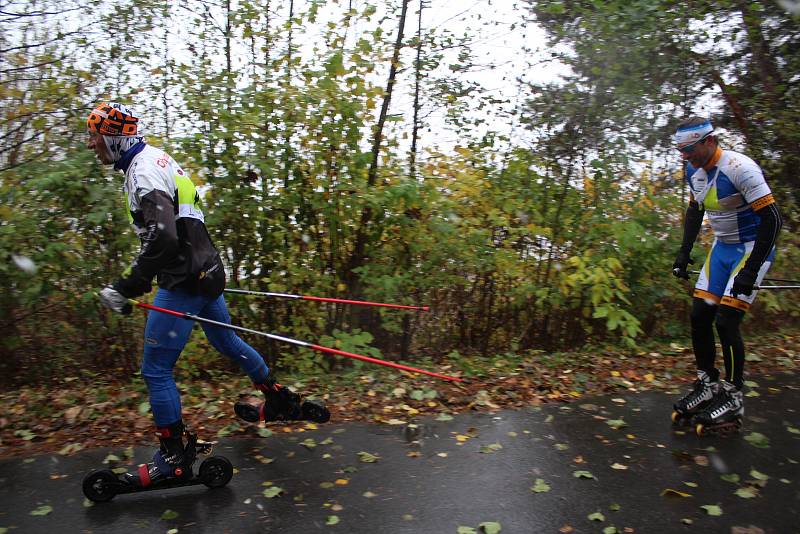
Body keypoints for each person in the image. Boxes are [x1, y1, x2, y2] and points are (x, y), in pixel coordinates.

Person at [87, 102, 328, 487]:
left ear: (115, 137)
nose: (91, 145)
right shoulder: (158, 158)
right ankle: (278, 397)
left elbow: (163, 238)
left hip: (183, 282)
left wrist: (127, 286)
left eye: (95, 137)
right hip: (207, 271)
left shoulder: (143, 172)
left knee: (155, 369)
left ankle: (174, 457)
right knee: (227, 340)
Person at [670, 116, 782, 433]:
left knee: (726, 321)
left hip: (751, 249)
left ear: (709, 141)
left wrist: (750, 269)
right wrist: (683, 251)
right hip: (722, 249)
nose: (685, 156)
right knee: (699, 314)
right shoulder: (693, 170)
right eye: (680, 150)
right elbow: (695, 211)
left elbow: (774, 220)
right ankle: (708, 384)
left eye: (689, 149)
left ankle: (733, 397)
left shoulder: (740, 168)